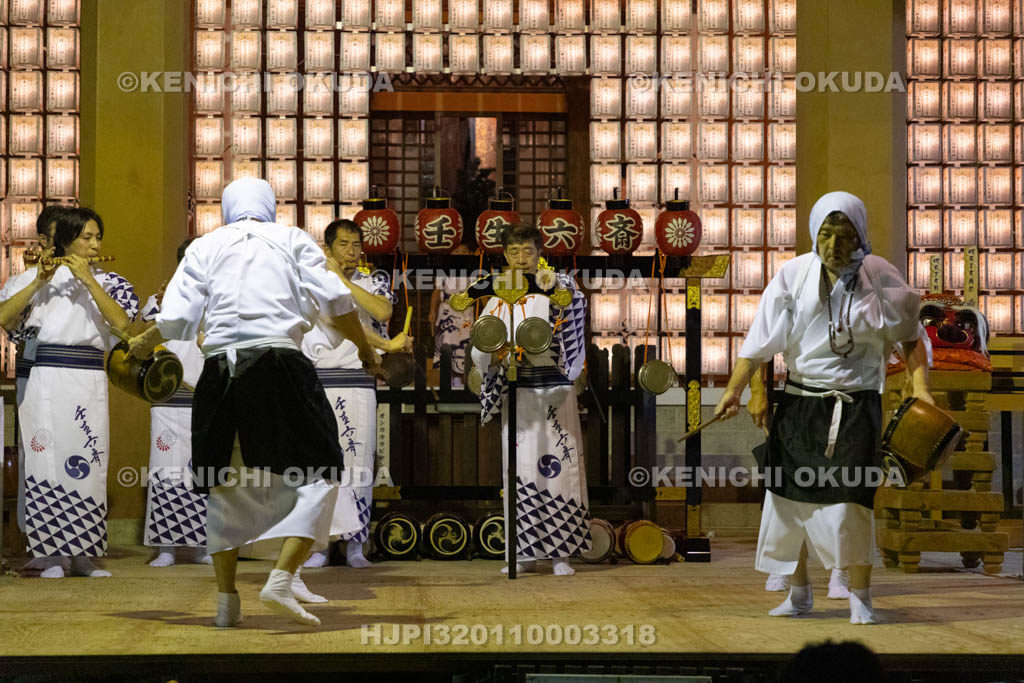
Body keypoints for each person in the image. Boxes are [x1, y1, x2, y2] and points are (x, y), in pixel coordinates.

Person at [128, 178, 380, 628]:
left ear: (228, 208)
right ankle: (282, 578)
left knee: (223, 483)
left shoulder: (205, 246)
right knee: (323, 470)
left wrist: (142, 343)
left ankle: (227, 603)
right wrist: (365, 350)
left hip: (219, 371)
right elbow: (336, 299)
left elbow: (179, 317)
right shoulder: (290, 239)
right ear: (270, 206)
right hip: (278, 363)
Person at [714, 191, 932, 625]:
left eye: (845, 235)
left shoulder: (880, 276)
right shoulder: (793, 274)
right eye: (826, 234)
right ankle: (799, 594)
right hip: (799, 404)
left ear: (861, 236)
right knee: (787, 501)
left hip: (856, 406)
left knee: (851, 501)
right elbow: (760, 341)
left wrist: (922, 387)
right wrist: (735, 390)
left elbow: (911, 338)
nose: (834, 245)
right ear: (814, 234)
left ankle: (860, 597)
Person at [0, 207, 139, 578]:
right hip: (47, 377)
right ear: (65, 242)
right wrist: (39, 282)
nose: (95, 245)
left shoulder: (110, 282)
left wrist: (88, 280)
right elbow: (5, 319)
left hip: (89, 378)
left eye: (98, 237)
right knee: (46, 460)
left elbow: (122, 322)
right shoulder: (36, 278)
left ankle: (83, 554)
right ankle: (51, 554)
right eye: (86, 238)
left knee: (89, 461)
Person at [470, 225, 590, 576]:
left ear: (539, 252)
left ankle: (561, 554)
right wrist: (496, 353)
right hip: (518, 390)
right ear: (505, 256)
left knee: (560, 466)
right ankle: (522, 552)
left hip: (554, 391)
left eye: (528, 251)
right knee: (519, 469)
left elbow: (575, 311)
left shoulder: (557, 284)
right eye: (514, 252)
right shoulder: (498, 295)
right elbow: (482, 342)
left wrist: (558, 289)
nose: (522, 258)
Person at [300, 219, 411, 570]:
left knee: (358, 462)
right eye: (343, 245)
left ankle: (355, 544)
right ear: (327, 249)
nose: (351, 251)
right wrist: (332, 280)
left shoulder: (372, 279)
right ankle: (319, 546)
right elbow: (337, 320)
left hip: (359, 378)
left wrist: (344, 282)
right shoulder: (312, 281)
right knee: (319, 465)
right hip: (319, 379)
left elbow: (382, 311)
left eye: (356, 245)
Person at [138, 238, 212, 568]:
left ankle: (203, 546)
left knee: (206, 472)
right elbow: (143, 337)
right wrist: (163, 302)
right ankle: (166, 547)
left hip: (206, 396)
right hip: (168, 398)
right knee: (166, 471)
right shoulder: (162, 298)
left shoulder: (221, 298)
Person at [0, 205, 65, 571]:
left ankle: (78, 546)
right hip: (36, 374)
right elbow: (13, 329)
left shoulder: (87, 280)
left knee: (76, 452)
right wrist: (37, 279)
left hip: (77, 379)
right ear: (44, 239)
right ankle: (41, 545)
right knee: (39, 456)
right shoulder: (21, 281)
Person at [431, 241, 474, 385]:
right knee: (446, 343)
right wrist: (432, 312)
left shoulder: (473, 270)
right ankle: (446, 380)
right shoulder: (443, 270)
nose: (460, 255)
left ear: (469, 254)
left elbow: (479, 293)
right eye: (456, 252)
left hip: (466, 312)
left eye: (464, 252)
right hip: (448, 311)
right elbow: (436, 291)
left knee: (466, 344)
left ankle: (462, 381)